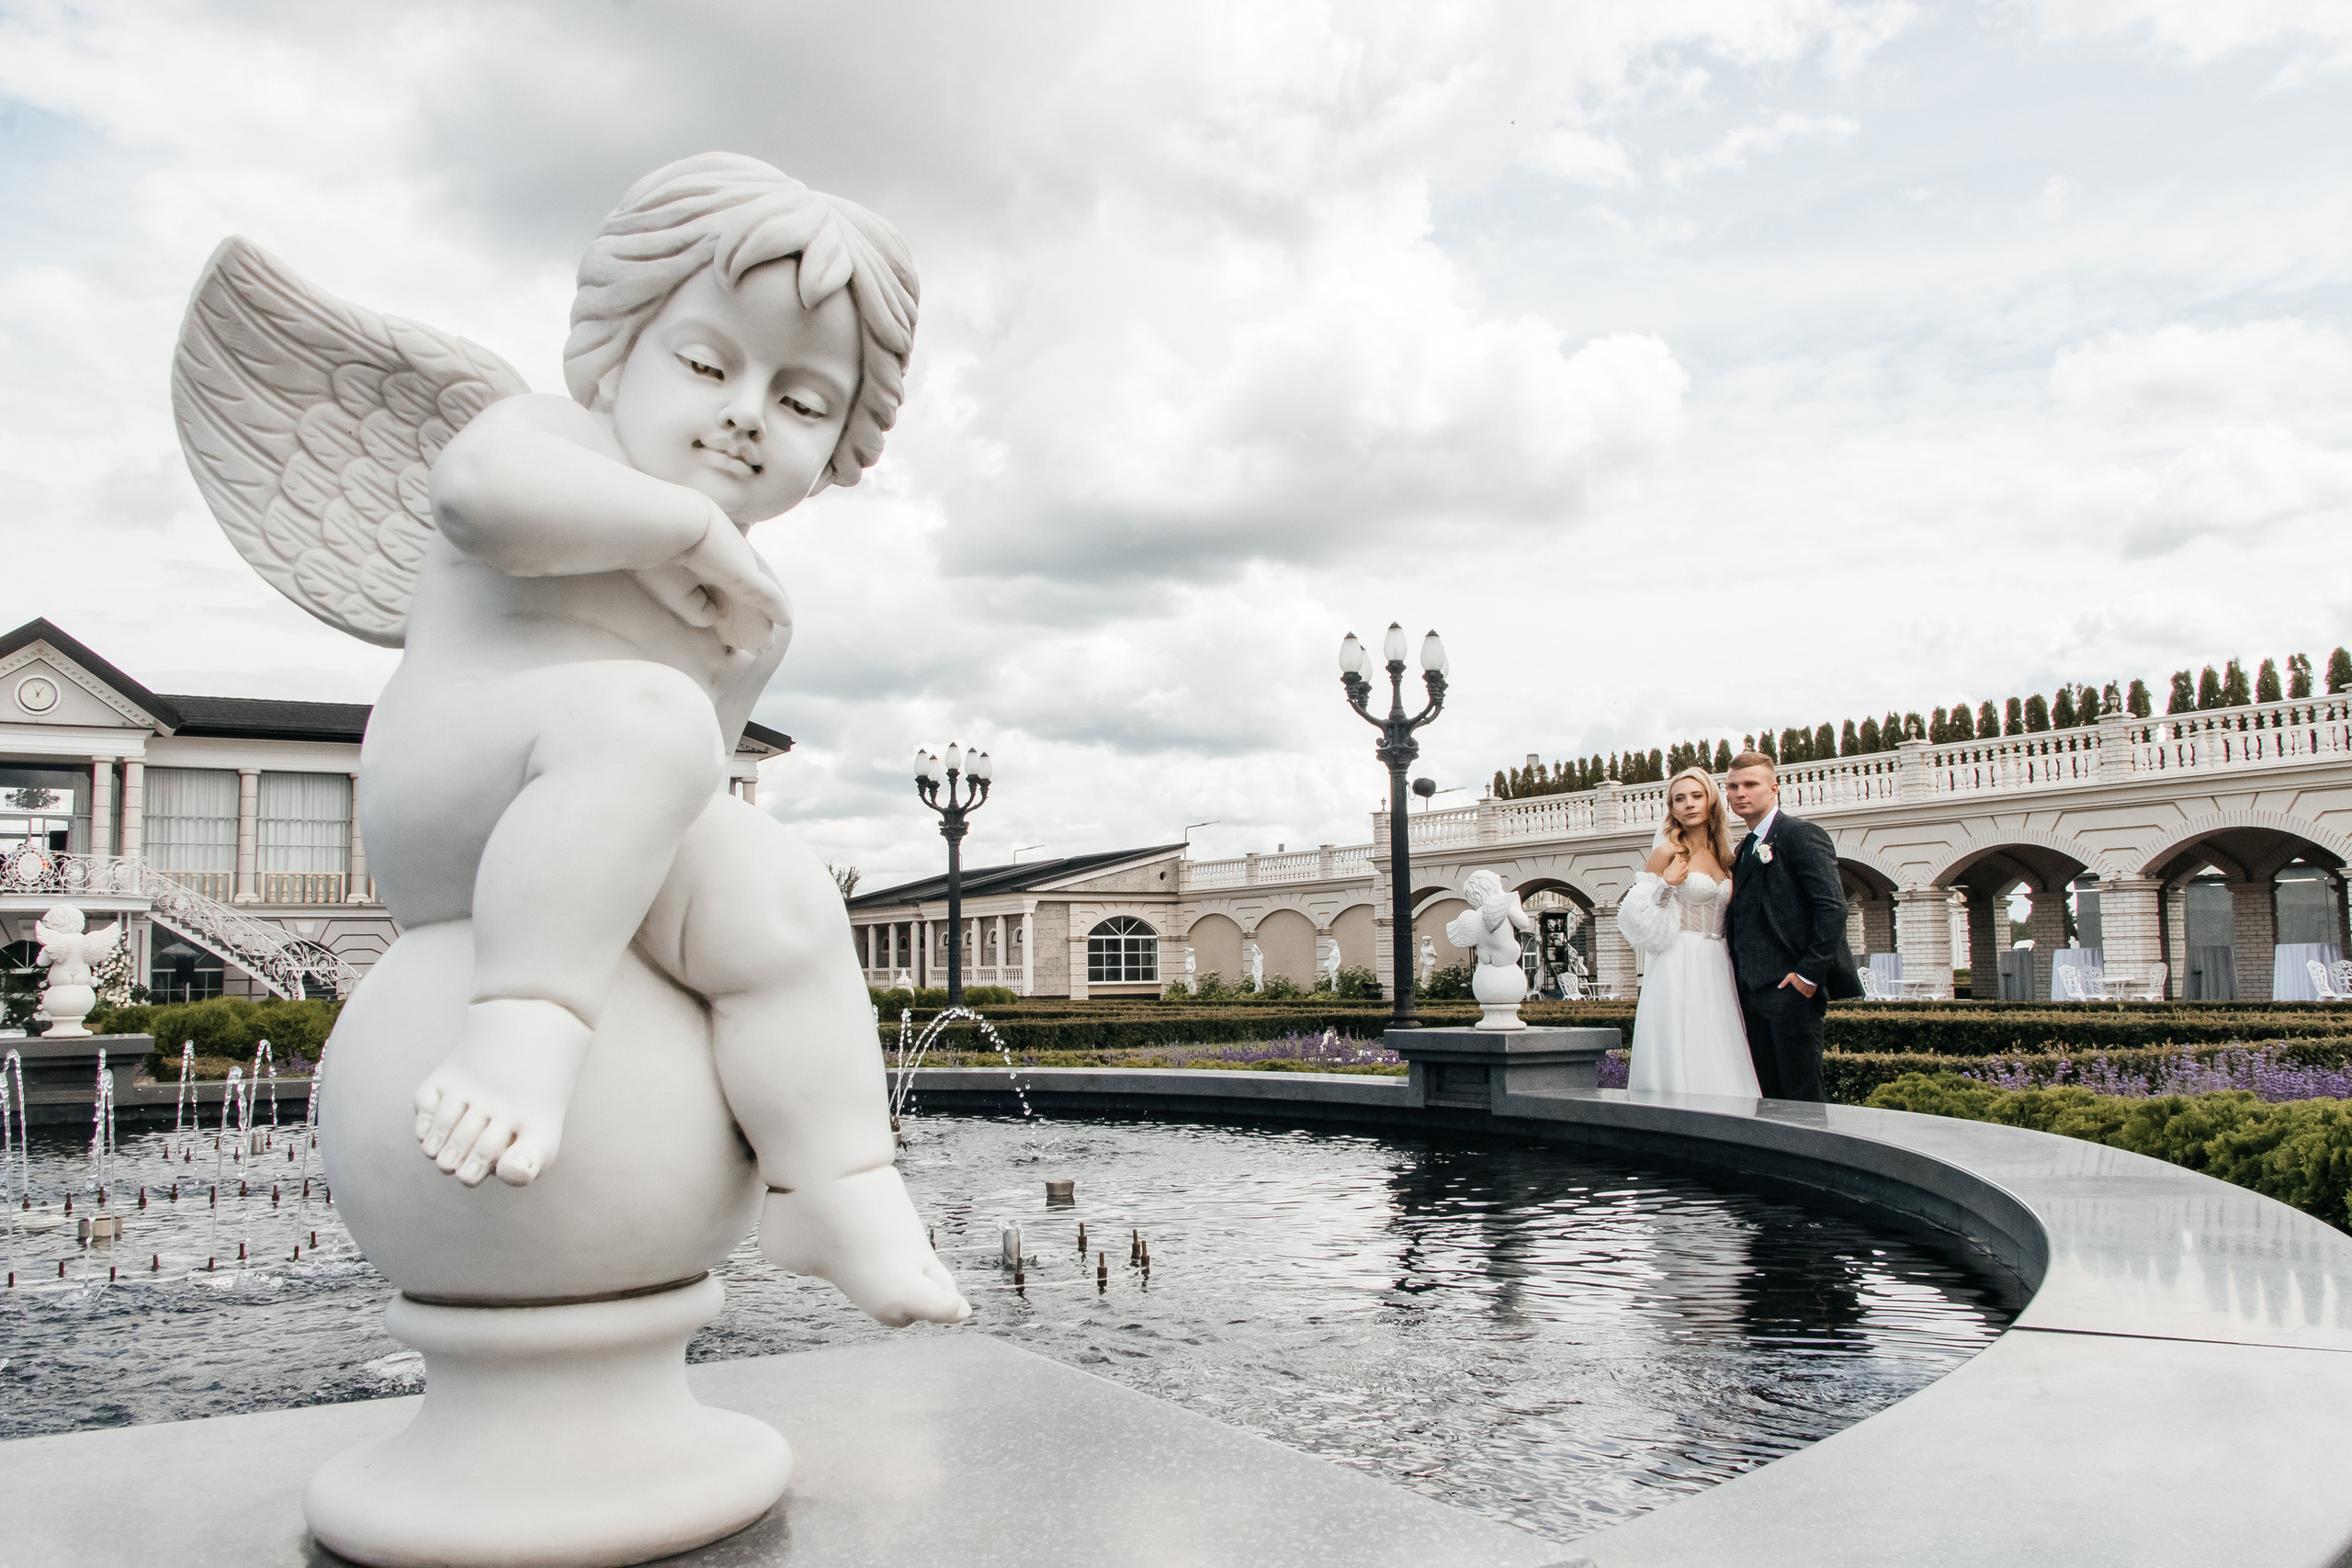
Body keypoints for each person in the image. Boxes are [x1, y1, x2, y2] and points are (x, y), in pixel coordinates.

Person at [1722, 752, 1862, 1100]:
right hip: (1749, 991)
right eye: (1733, 786)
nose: (1740, 793)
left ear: (1774, 789)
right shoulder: (1743, 848)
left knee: (1802, 1095)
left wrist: (1808, 976)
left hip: (1790, 990)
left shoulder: (1801, 835)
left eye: (1750, 784)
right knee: (1767, 1094)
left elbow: (1832, 908)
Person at [1617, 767, 1759, 1096]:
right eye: (1679, 799)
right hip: (1678, 960)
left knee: (1718, 1043)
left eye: (1697, 796)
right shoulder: (1667, 852)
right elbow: (1637, 919)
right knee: (1684, 1041)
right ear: (1672, 808)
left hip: (1717, 960)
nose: (1689, 804)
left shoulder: (1725, 856)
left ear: (1711, 801)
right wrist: (1667, 884)